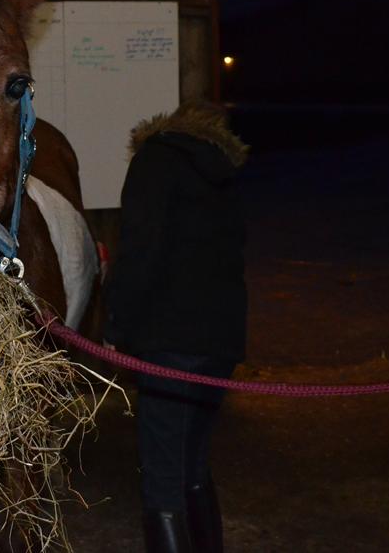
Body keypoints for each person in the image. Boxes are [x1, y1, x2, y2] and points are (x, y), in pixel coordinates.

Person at [103, 100, 249, 553]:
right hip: (221, 341)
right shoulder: (223, 173)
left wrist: (116, 327)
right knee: (192, 465)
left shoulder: (155, 161)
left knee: (163, 480)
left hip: (172, 342)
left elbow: (140, 250)